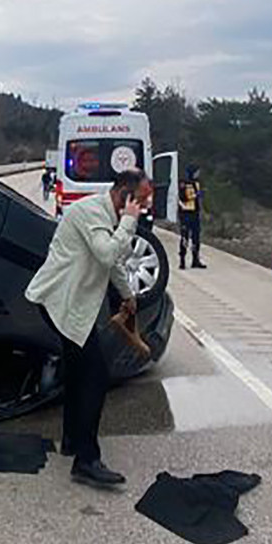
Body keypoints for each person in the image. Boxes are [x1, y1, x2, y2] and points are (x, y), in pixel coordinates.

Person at [25, 169, 152, 487]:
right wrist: (129, 221)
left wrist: (128, 296)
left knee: (78, 371)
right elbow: (107, 253)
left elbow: (112, 263)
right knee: (95, 375)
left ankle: (72, 441)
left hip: (72, 303)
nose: (144, 207)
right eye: (141, 200)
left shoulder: (106, 215)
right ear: (124, 194)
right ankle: (86, 460)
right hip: (60, 302)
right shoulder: (89, 212)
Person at [178, 165, 206, 270]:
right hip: (185, 213)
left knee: (196, 237)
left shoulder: (196, 183)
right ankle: (182, 260)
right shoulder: (183, 183)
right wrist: (196, 195)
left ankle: (195, 259)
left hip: (195, 213)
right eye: (197, 172)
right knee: (184, 237)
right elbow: (182, 197)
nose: (198, 174)